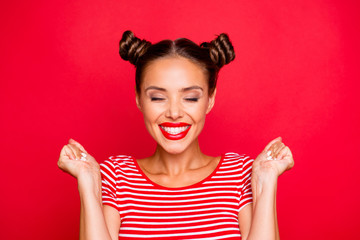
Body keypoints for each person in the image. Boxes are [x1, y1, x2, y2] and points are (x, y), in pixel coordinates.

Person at [58, 30, 294, 240]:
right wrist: (88, 183)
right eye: (158, 98)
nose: (173, 113)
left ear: (209, 99)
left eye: (190, 98)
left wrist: (266, 180)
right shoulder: (115, 177)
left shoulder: (239, 174)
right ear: (139, 99)